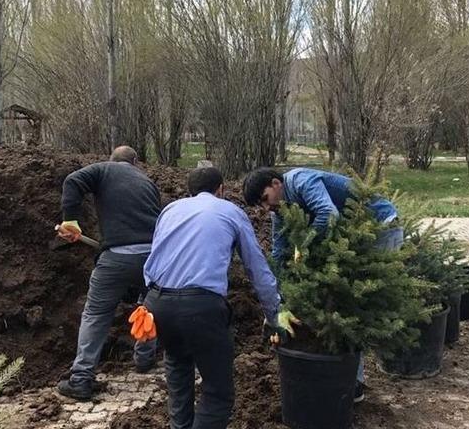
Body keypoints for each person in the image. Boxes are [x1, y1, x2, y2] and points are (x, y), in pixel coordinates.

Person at [143, 167, 292, 429]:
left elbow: (154, 257)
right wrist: (274, 313)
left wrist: (148, 302)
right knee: (217, 391)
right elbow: (257, 269)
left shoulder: (170, 210)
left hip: (157, 302)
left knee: (178, 367)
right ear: (221, 189)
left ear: (190, 190)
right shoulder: (231, 212)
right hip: (201, 307)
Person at [242, 166, 403, 402]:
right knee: (339, 304)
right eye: (261, 205)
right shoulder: (280, 212)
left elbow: (328, 214)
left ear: (276, 183)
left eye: (265, 199)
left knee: (354, 303)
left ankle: (355, 383)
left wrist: (303, 247)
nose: (267, 208)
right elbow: (278, 253)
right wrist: (278, 302)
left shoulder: (301, 181)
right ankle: (349, 379)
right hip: (350, 238)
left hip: (380, 226)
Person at [55, 146, 161, 400]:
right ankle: (145, 359)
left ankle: (81, 379)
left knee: (96, 313)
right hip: (153, 258)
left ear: (112, 160)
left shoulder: (103, 169)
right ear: (135, 162)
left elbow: (73, 180)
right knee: (147, 309)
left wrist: (70, 219)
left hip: (117, 257)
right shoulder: (148, 182)